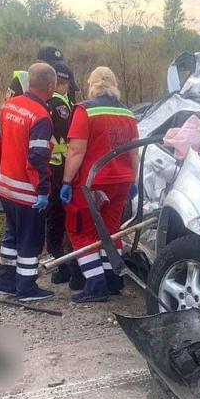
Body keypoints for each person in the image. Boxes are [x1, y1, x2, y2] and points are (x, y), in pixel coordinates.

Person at [61, 67, 139, 303]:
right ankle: (113, 279)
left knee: (82, 231)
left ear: (91, 84)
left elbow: (76, 151)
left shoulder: (86, 110)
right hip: (121, 181)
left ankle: (95, 285)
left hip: (92, 183)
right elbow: (134, 153)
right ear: (114, 84)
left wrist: (66, 181)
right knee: (110, 229)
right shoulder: (128, 113)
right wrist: (133, 180)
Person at [0, 63, 57, 302]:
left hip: (6, 187)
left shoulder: (9, 105)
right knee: (30, 238)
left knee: (11, 235)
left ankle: (4, 283)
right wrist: (43, 191)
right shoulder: (41, 116)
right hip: (27, 192)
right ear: (50, 86)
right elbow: (36, 158)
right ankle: (26, 288)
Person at [44, 62, 84, 289]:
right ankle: (64, 265)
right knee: (60, 220)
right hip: (61, 171)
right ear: (64, 84)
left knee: (55, 219)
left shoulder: (49, 104)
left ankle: (61, 264)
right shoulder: (61, 107)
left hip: (53, 170)